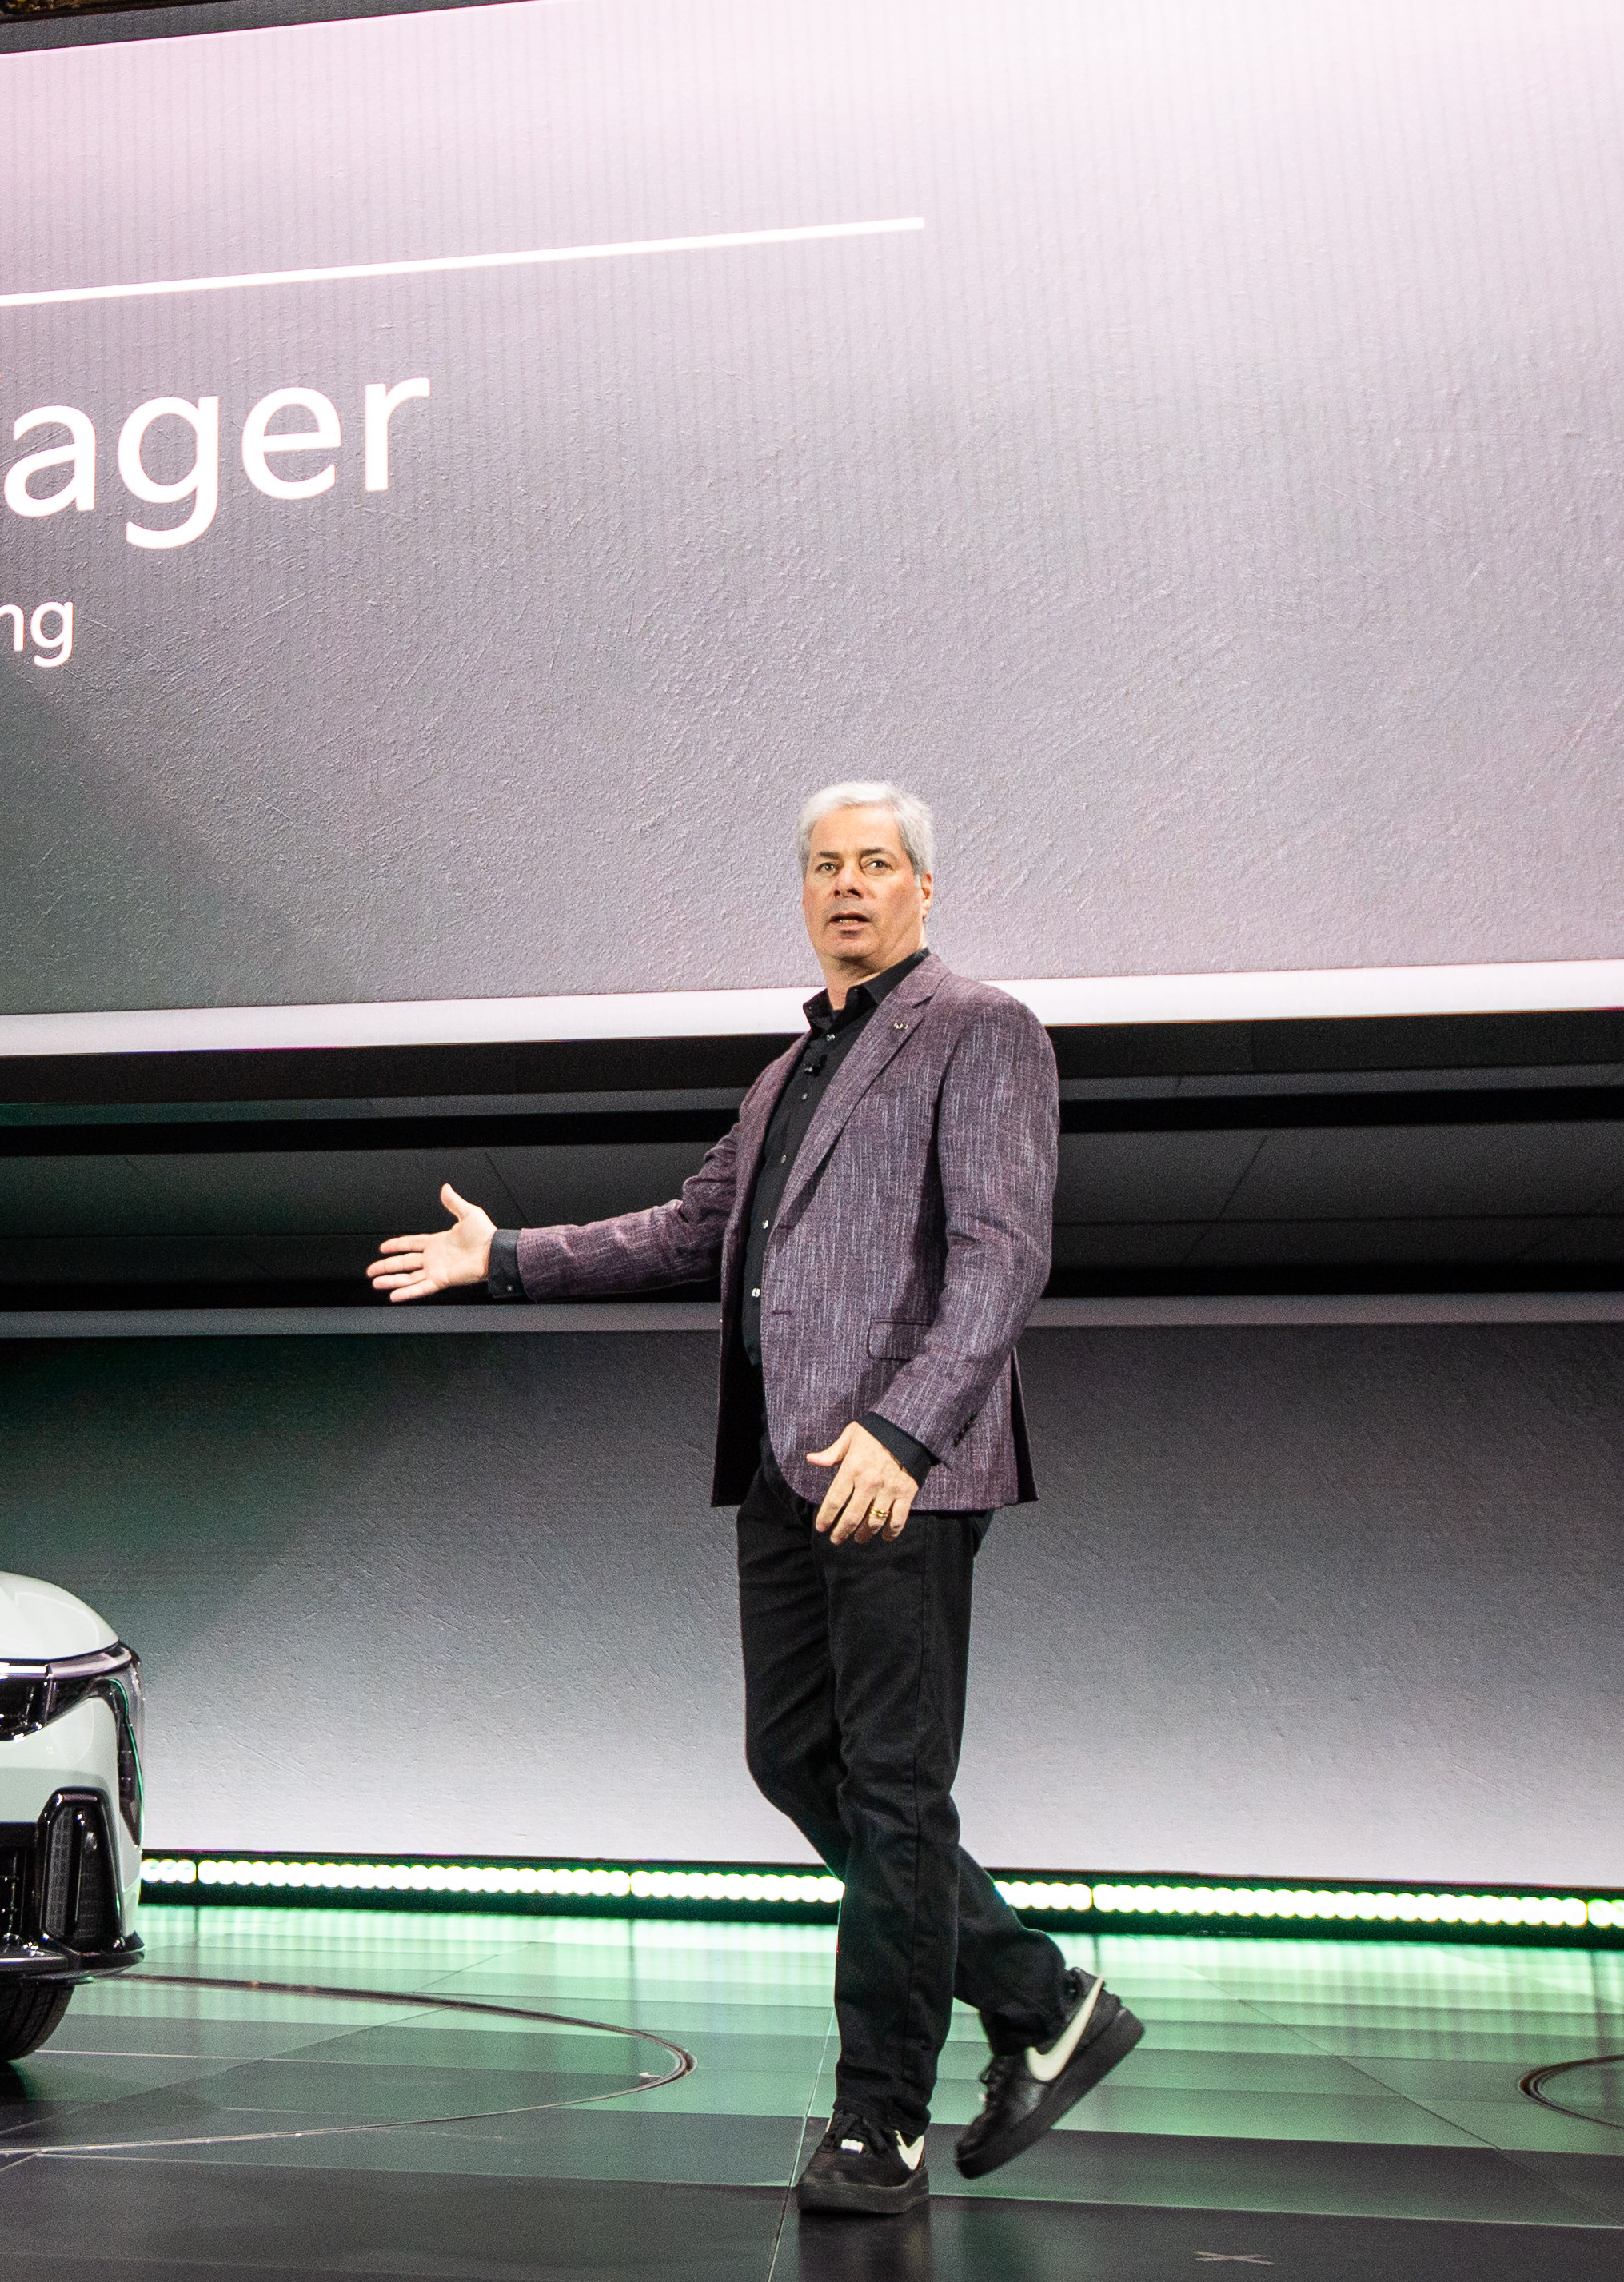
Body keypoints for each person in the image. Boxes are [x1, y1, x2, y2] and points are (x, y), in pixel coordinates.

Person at [369, 780, 1139, 2216]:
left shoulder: (982, 1029)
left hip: (898, 1475)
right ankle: (1042, 1999)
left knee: (896, 1791)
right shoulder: (787, 1073)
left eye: (877, 863)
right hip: (788, 1470)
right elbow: (691, 1230)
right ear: (803, 893)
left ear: (924, 889)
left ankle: (880, 2122)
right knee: (796, 1760)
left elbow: (1003, 1254)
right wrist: (509, 1258)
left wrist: (906, 1434)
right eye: (825, 866)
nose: (848, 885)